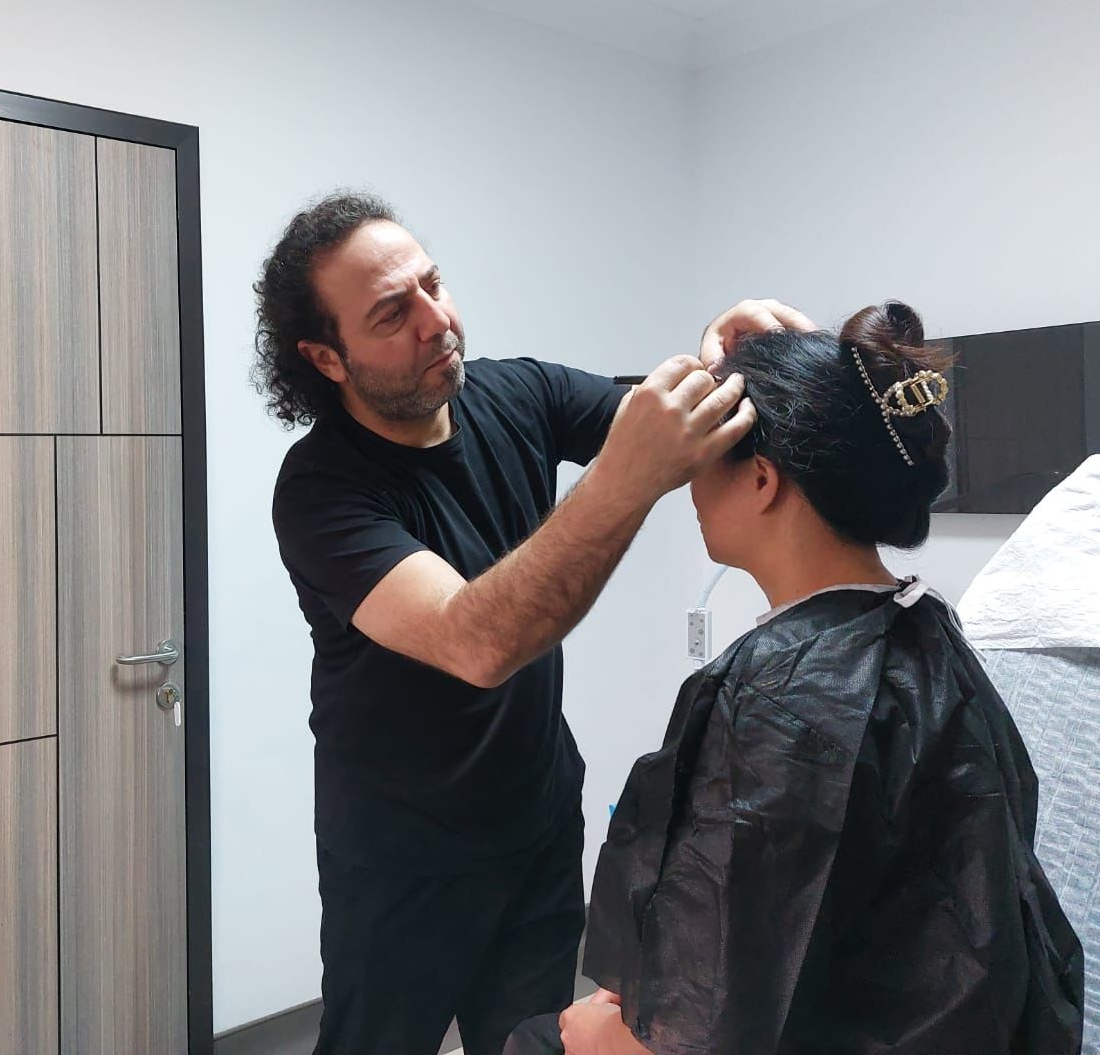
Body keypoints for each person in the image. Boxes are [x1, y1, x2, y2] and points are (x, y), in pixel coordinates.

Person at [255, 190, 808, 1055]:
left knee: (529, 1042)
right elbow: (477, 642)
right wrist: (622, 484)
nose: (436, 322)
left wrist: (716, 355)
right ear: (327, 358)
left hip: (537, 830)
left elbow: (661, 426)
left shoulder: (518, 392)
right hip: (399, 864)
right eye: (393, 314)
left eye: (433, 284)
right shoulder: (323, 490)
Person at [506, 302, 1085, 1055]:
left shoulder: (776, 697)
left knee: (538, 1037)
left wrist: (609, 1038)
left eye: (702, 463)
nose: (688, 489)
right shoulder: (929, 629)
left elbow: (716, 1015)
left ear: (761, 480)